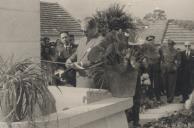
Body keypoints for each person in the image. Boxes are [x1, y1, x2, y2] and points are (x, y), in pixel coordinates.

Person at [65, 17, 104, 88]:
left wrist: (80, 64)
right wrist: (70, 59)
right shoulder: (82, 40)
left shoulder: (100, 41)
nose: (83, 33)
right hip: (79, 79)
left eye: (86, 31)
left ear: (94, 29)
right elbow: (77, 53)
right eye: (82, 31)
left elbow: (96, 60)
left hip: (91, 81)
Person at [141, 35, 161, 101]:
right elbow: (143, 56)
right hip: (149, 66)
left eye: (151, 40)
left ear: (153, 40)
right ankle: (150, 97)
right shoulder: (145, 48)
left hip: (156, 66)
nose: (150, 41)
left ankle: (158, 97)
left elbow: (159, 57)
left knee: (157, 82)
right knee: (149, 82)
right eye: (149, 40)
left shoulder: (157, 48)